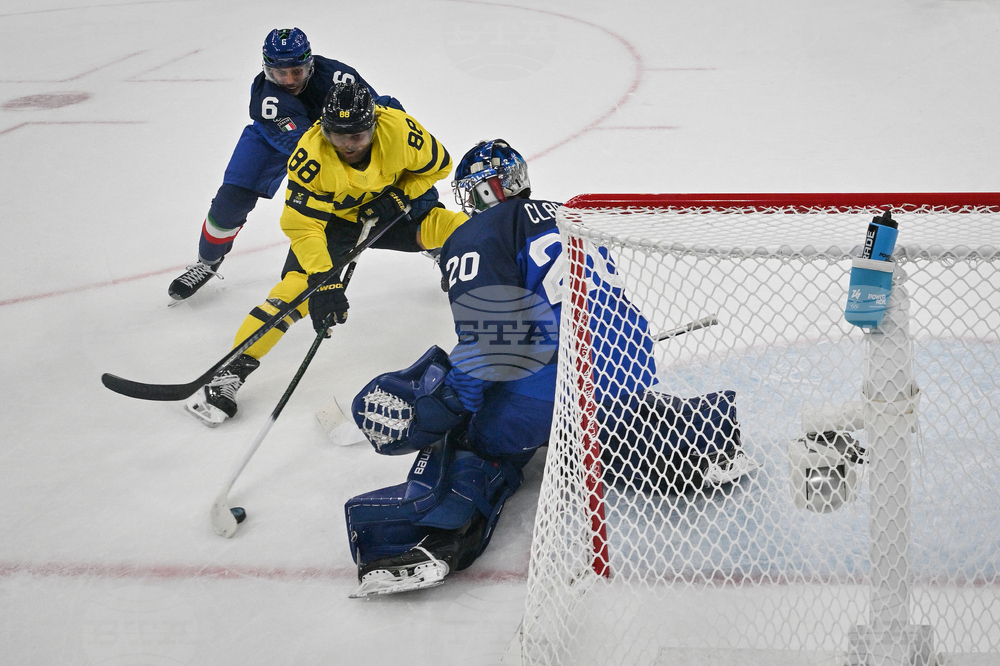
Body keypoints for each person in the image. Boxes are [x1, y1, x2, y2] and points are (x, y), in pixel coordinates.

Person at [341, 140, 755, 598]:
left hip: (553, 379)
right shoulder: (569, 216)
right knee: (587, 433)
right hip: (631, 365)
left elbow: (496, 341)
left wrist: (455, 400)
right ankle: (702, 440)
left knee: (476, 436)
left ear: (481, 194)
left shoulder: (477, 234)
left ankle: (431, 539)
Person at [184, 81, 466, 427]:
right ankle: (230, 373)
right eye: (339, 135)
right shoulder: (310, 156)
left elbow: (439, 165)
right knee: (295, 293)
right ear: (324, 128)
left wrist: (400, 195)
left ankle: (501, 276)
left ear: (375, 124)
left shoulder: (401, 131)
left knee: (461, 229)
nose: (349, 145)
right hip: (335, 225)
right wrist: (325, 281)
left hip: (392, 210)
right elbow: (303, 226)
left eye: (359, 136)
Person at [168, 28, 402, 302]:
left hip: (335, 135)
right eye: (280, 73)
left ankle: (434, 241)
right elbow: (307, 148)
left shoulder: (340, 76)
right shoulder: (268, 100)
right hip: (273, 140)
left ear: (310, 63)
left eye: (297, 71)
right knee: (230, 201)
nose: (289, 80)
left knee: (394, 170)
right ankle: (206, 263)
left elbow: (377, 112)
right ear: (267, 69)